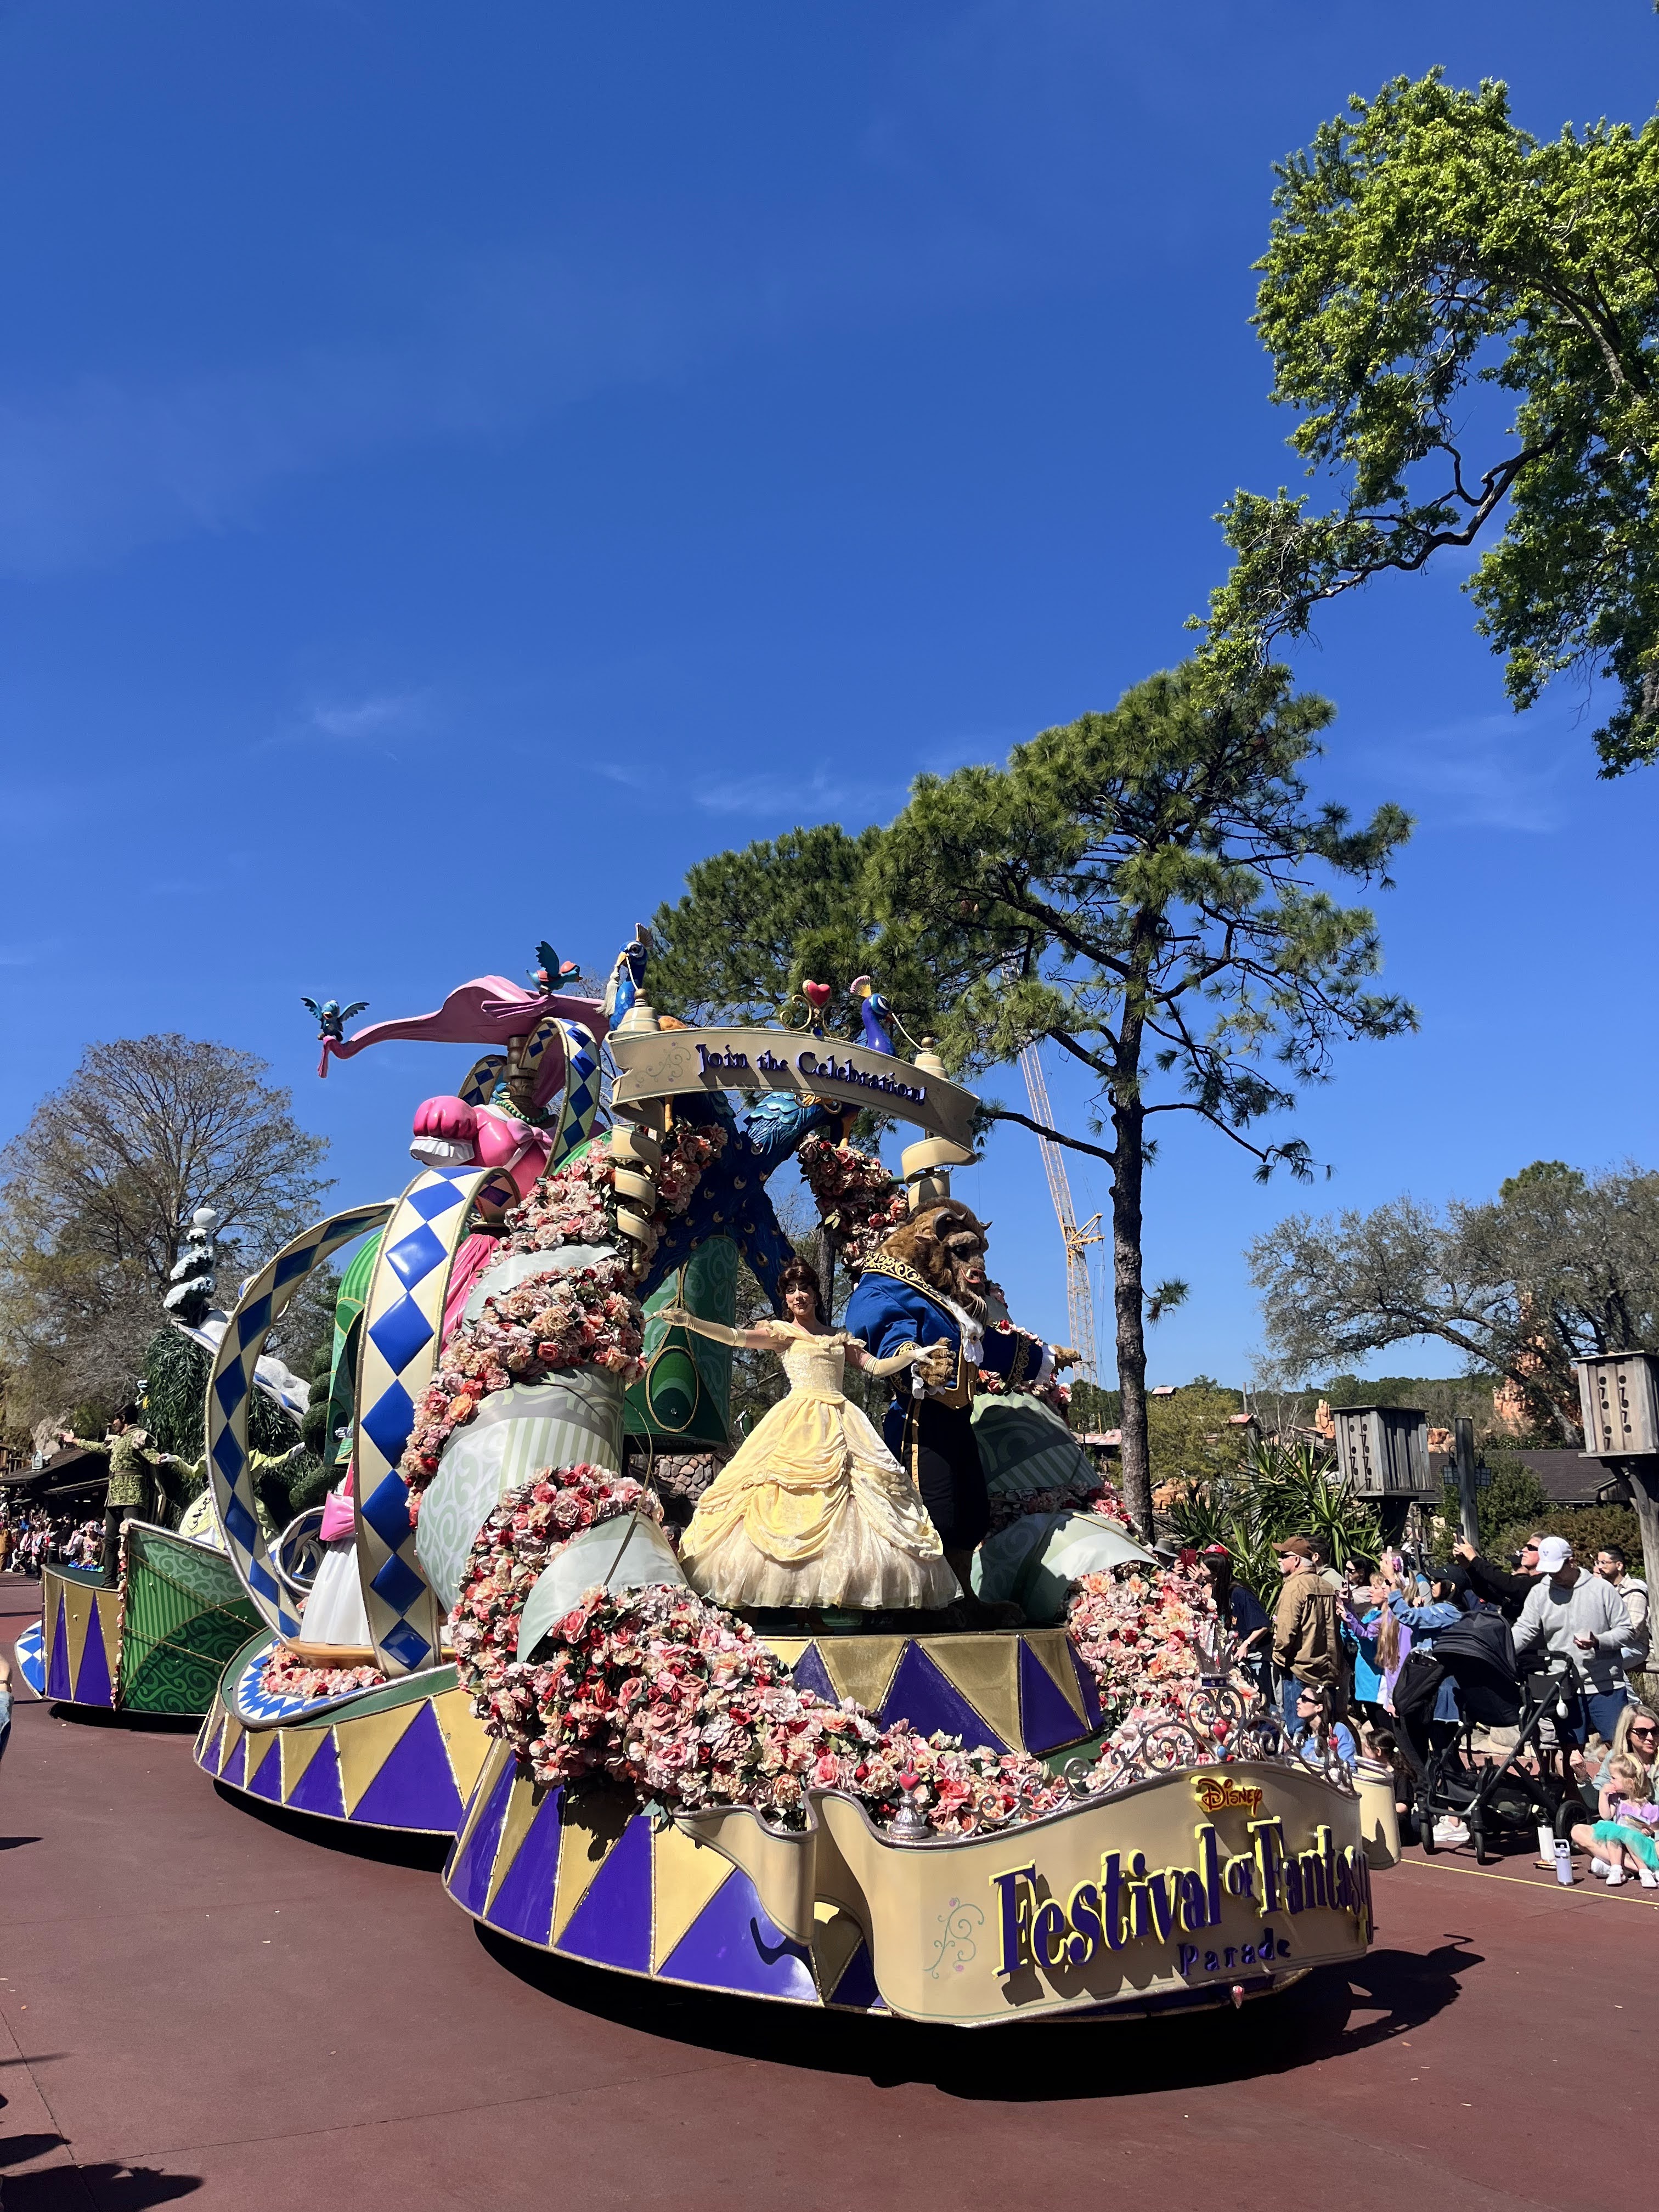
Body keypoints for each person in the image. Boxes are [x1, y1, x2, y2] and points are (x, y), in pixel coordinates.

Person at [668, 1257, 964, 1614]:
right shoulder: (782, 1333)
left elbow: (875, 1366)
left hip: (842, 1420)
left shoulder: (839, 1337)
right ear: (786, 1297)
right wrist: (691, 1322)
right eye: (791, 1290)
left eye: (804, 1288)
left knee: (862, 1499)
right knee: (780, 1500)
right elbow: (735, 1338)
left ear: (815, 1293)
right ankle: (788, 1607)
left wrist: (913, 1355)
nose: (798, 1296)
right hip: (797, 1420)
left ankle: (839, 1602)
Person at [843, 1201, 1077, 1606]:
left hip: (957, 1421)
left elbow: (991, 1347)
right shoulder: (888, 1285)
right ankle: (926, 1599)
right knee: (933, 1508)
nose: (976, 1263)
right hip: (919, 1424)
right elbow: (885, 1331)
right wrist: (918, 1363)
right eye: (964, 1251)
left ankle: (963, 1594)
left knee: (971, 1508)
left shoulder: (949, 1304)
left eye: (979, 1251)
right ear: (931, 1245)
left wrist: (1046, 1358)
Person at [1511, 1536, 1634, 1749]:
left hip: (1606, 1684)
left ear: (1572, 1561)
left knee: (1619, 1749)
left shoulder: (1602, 1589)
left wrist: (1599, 1642)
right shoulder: (1540, 1592)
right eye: (1549, 1570)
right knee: (1571, 1752)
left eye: (1557, 1569)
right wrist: (1502, 1648)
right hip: (1563, 1685)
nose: (1553, 1576)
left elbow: (1627, 1631)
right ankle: (1576, 1783)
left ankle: (1617, 1783)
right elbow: (1525, 1629)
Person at [60, 1407, 171, 1589]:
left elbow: (153, 1456)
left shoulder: (139, 1436)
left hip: (133, 1495)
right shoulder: (117, 1440)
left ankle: (137, 1580)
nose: (113, 1423)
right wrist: (75, 1441)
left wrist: (162, 1459)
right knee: (110, 1538)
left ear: (124, 1419)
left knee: (133, 1539)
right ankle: (109, 1579)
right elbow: (98, 1447)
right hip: (114, 1496)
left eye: (115, 1419)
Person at [1271, 1536, 1344, 1730]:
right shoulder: (1328, 1587)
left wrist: (1278, 1657)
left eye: (1283, 1555)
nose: (1279, 1559)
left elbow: (1286, 1632)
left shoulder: (1294, 1588)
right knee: (1327, 1728)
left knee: (1297, 1730)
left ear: (1296, 1560)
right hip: (1327, 1670)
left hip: (1300, 1670)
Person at [1571, 1753, 1659, 1887]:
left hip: (1638, 1845)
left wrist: (1649, 1831)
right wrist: (1603, 1794)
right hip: (1618, 1845)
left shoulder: (1646, 1806)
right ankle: (1621, 1869)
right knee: (1610, 1832)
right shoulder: (1617, 1800)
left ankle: (1637, 1870)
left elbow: (1655, 1827)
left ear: (1629, 1782)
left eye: (1614, 1778)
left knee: (1627, 1836)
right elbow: (1606, 1815)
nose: (1611, 1781)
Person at [1201, 1545, 1271, 1699]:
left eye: (1203, 1569)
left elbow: (1264, 1625)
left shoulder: (1239, 1592)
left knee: (1262, 1698)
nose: (1200, 1573)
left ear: (1216, 1575)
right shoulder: (1220, 1593)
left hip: (1255, 1656)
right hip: (1238, 1656)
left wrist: (1246, 1644)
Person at [1452, 1532, 1545, 1622]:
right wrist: (1467, 1565)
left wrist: (1475, 1560)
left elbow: (1511, 1585)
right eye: (1526, 1546)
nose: (1524, 1550)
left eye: (1531, 1548)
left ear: (1546, 1553)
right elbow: (1489, 1593)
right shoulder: (1527, 1583)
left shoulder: (1546, 1581)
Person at [1594, 1545, 1650, 1678]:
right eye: (1597, 1562)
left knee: (1608, 1664)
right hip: (1606, 1645)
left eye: (1604, 1563)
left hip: (1634, 1647)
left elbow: (1632, 1632)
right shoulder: (1600, 1590)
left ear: (1619, 1565)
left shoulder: (1635, 1592)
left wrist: (1603, 1640)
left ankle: (1632, 1700)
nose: (1599, 1567)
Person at [1290, 1679, 1358, 1769]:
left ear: (1319, 1707)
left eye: (1304, 1699)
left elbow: (1350, 1769)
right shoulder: (1300, 1735)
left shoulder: (1338, 1731)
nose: (1298, 1701)